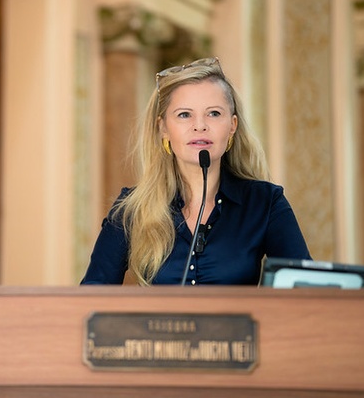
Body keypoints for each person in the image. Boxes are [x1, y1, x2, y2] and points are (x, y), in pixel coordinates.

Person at [81, 57, 310, 286]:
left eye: (213, 113)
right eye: (184, 114)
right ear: (163, 128)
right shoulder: (131, 209)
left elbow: (305, 290)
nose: (200, 125)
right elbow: (89, 301)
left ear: (232, 126)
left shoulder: (266, 203)